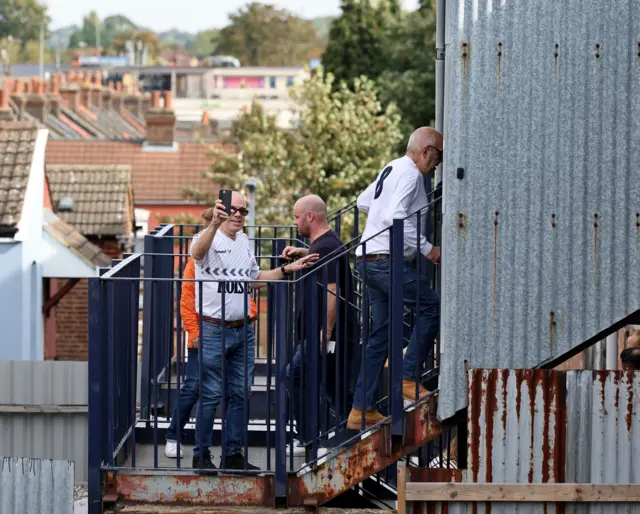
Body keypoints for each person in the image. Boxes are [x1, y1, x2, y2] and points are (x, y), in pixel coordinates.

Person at [190, 191, 318, 471]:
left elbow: (253, 279)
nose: (238, 214)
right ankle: (201, 456)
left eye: (243, 211)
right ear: (220, 210)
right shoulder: (206, 237)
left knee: (240, 394)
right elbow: (197, 254)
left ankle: (233, 455)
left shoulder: (245, 241)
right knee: (211, 394)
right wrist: (213, 224)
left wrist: (287, 269)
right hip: (213, 328)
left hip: (243, 329)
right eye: (232, 209)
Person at [346, 127, 444, 430]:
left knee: (382, 334)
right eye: (438, 157)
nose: (438, 164)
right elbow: (395, 217)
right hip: (386, 262)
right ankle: (408, 377)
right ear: (426, 151)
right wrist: (428, 250)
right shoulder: (413, 174)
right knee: (431, 307)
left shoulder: (392, 167)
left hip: (366, 260)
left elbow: (364, 201)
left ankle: (360, 409)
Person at [164, 210, 260, 460]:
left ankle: (228, 451)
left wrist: (248, 310)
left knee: (229, 389)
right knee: (196, 387)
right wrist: (194, 332)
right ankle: (175, 435)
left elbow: (243, 284)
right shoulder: (198, 257)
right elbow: (188, 297)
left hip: (232, 327)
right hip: (205, 330)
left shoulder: (236, 247)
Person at [281, 195, 359, 457]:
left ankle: (308, 438)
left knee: (294, 375)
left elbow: (332, 292)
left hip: (325, 334)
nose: (295, 222)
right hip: (326, 334)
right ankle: (353, 429)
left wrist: (325, 332)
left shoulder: (325, 248)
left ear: (310, 216)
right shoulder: (324, 245)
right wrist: (304, 252)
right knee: (333, 388)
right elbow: (325, 255)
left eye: (296, 216)